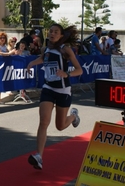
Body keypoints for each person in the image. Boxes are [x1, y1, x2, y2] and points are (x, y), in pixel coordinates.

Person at [26, 24, 83, 170]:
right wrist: (32, 63)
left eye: (56, 32)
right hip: (48, 88)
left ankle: (73, 117)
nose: (52, 34)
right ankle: (39, 156)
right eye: (50, 31)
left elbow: (79, 70)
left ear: (61, 35)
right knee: (44, 121)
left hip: (63, 90)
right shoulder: (45, 49)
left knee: (60, 126)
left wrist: (67, 74)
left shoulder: (65, 50)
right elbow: (43, 58)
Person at [0, 32, 16, 104]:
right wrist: (9, 53)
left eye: (3, 38)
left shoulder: (4, 46)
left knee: (0, 82)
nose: (2, 39)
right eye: (1, 38)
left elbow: (10, 52)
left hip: (3, 66)